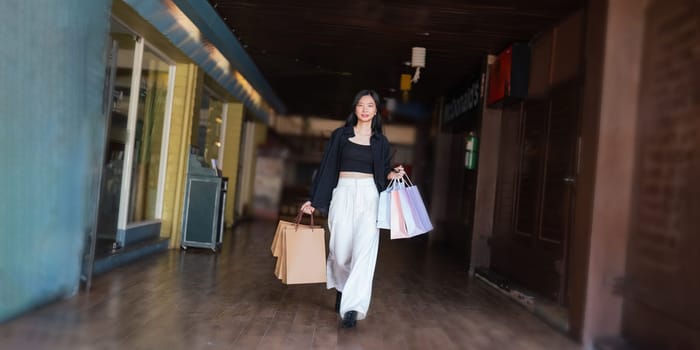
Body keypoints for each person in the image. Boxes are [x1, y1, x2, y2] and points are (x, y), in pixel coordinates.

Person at [300, 89, 405, 328]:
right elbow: (326, 168)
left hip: (369, 196)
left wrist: (394, 173)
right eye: (361, 105)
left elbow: (383, 173)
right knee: (340, 252)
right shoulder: (340, 136)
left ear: (376, 110)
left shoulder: (380, 142)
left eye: (370, 105)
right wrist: (314, 201)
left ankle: (353, 308)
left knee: (364, 254)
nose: (365, 109)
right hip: (343, 193)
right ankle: (342, 287)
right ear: (355, 109)